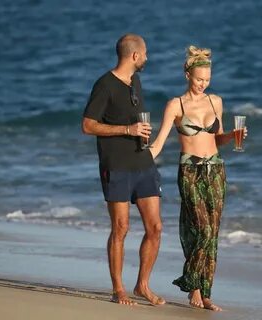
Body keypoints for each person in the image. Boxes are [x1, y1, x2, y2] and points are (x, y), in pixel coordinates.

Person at [150, 45, 247, 311]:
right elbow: (158, 143)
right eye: (198, 79)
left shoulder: (216, 101)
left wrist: (235, 137)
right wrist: (142, 156)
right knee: (201, 229)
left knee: (212, 233)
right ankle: (191, 282)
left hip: (216, 170)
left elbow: (220, 138)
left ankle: (205, 293)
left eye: (207, 80)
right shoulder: (176, 105)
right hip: (190, 171)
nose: (203, 84)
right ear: (187, 75)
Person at [82, 33, 165, 306]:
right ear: (135, 56)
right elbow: (88, 125)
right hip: (116, 166)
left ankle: (142, 285)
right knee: (121, 228)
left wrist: (143, 135)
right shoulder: (104, 85)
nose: (147, 58)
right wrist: (126, 130)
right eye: (146, 54)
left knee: (155, 227)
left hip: (143, 163)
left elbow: (135, 120)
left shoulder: (135, 82)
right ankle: (119, 290)